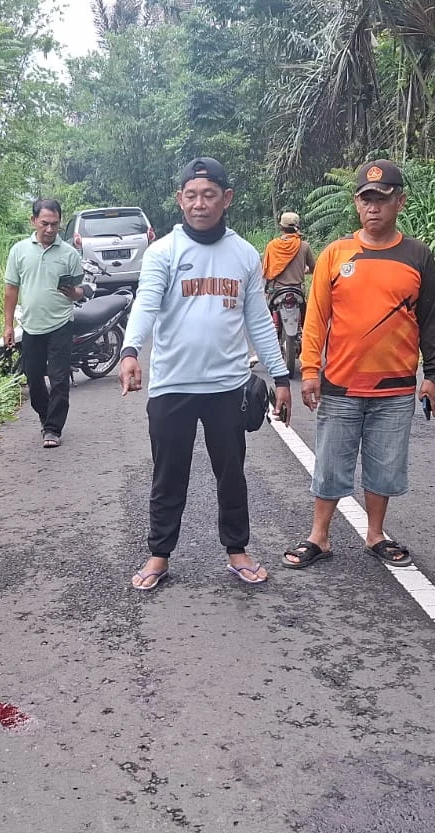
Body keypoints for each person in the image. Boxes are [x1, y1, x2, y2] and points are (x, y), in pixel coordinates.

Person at [119, 157, 294, 590]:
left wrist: (281, 377)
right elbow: (146, 303)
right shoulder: (163, 252)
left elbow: (258, 320)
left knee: (231, 474)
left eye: (210, 195)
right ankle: (159, 555)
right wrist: (130, 351)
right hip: (172, 386)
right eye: (192, 195)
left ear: (226, 199)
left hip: (227, 387)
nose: (200, 203)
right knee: (167, 474)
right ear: (180, 200)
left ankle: (237, 550)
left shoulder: (244, 254)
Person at [282, 159, 435, 571]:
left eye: (383, 200)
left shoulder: (418, 256)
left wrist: (434, 376)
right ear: (357, 204)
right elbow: (315, 317)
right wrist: (310, 371)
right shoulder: (337, 254)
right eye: (366, 200)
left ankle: (376, 535)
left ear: (400, 202)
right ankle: (319, 536)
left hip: (395, 386)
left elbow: (430, 318)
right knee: (331, 461)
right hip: (340, 383)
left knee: (385, 464)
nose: (374, 208)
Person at [2, 199, 86, 448]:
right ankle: (44, 414)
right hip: (31, 325)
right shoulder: (19, 251)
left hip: (61, 322)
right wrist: (8, 325)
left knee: (60, 379)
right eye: (45, 223)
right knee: (34, 377)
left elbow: (80, 290)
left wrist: (75, 293)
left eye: (55, 224)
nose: (50, 229)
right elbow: (11, 289)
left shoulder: (69, 254)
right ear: (33, 221)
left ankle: (53, 428)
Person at [251, 211, 315, 367]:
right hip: (298, 292)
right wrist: (304, 270)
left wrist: (266, 287)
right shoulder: (304, 246)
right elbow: (313, 268)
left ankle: (257, 354)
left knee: (265, 323)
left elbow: (267, 271)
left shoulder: (272, 246)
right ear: (297, 227)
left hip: (277, 291)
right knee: (306, 323)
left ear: (281, 227)